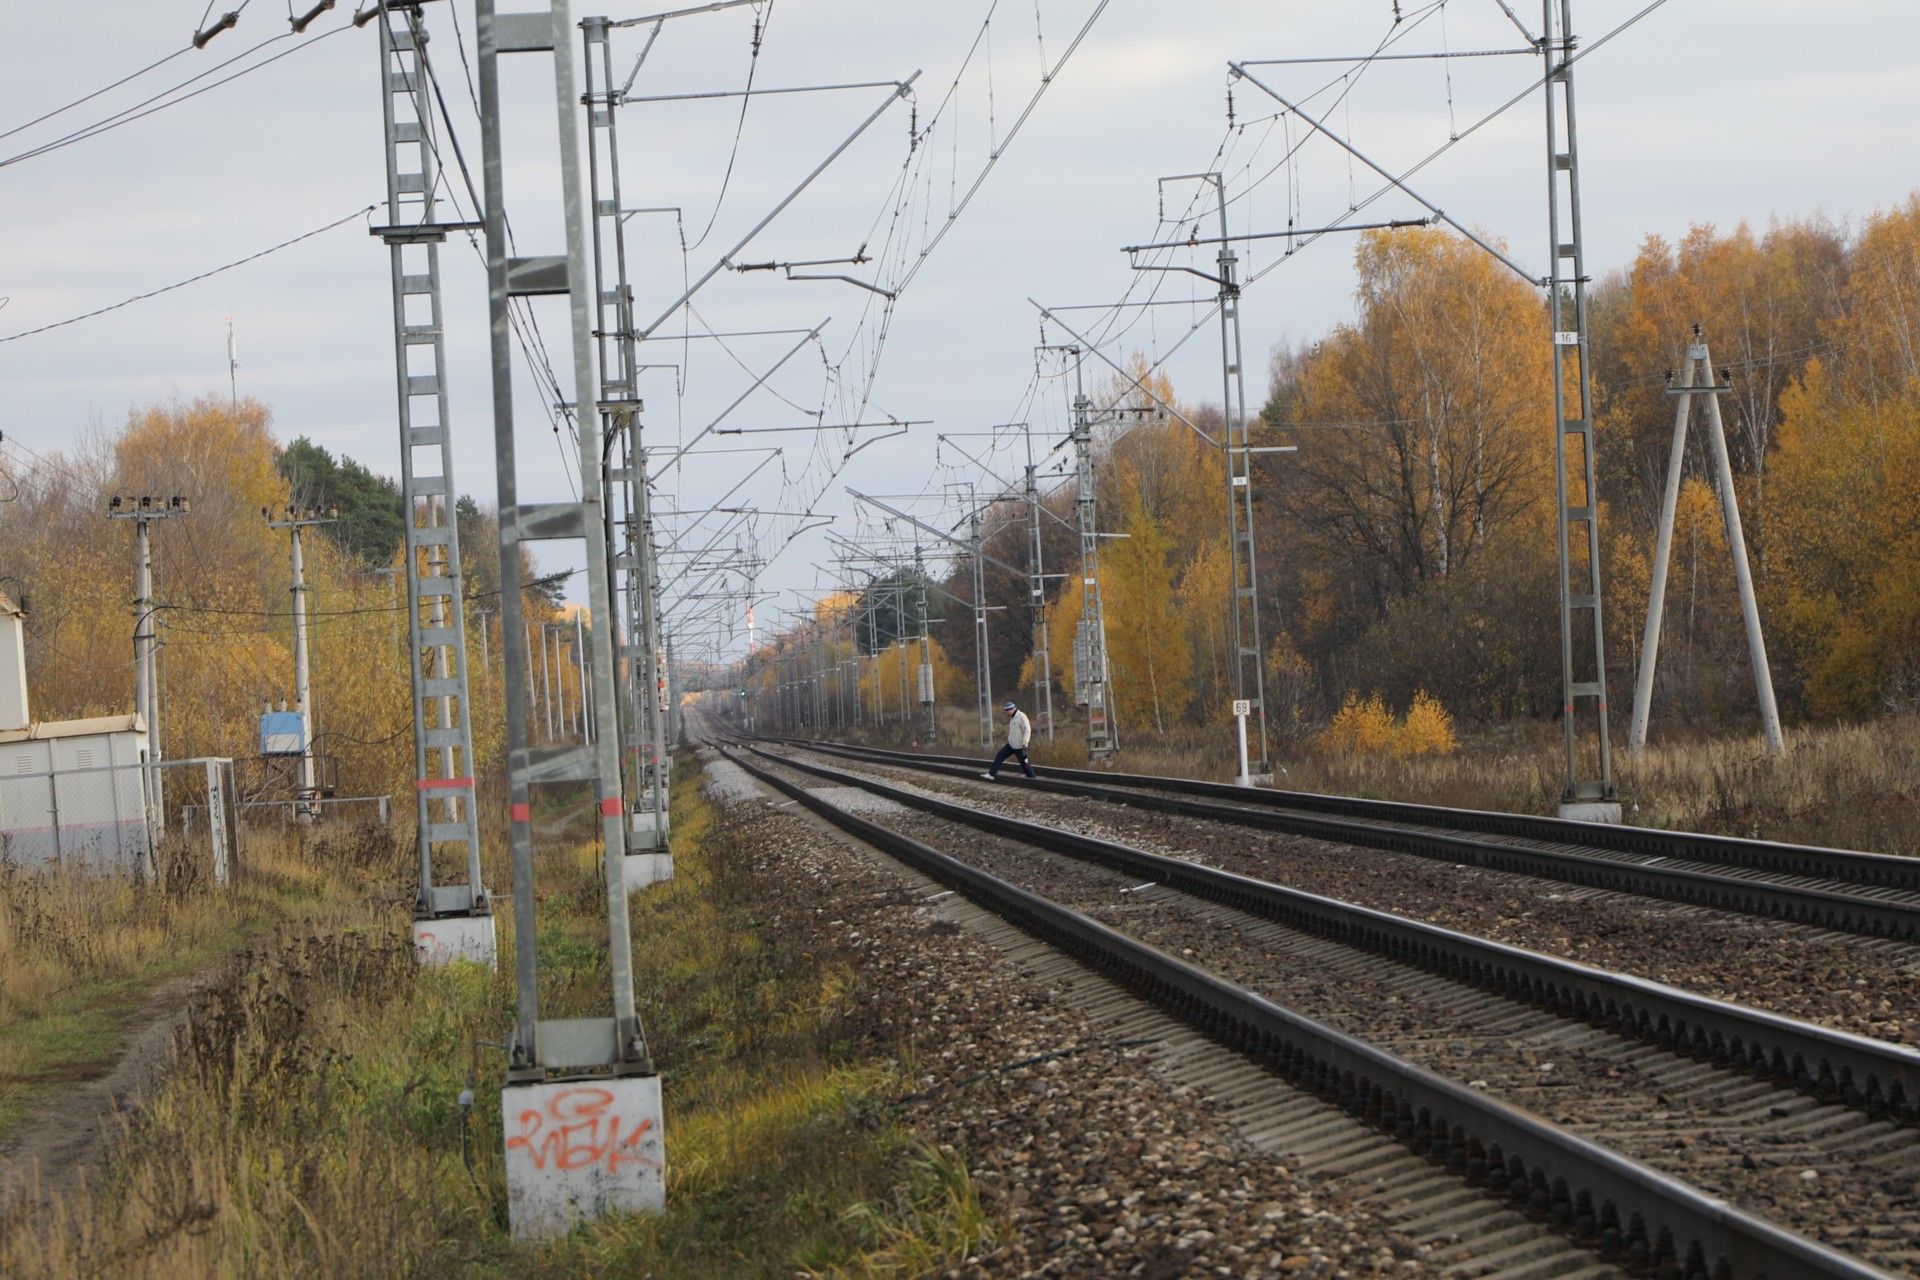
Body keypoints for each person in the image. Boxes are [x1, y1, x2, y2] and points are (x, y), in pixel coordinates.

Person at [983, 700, 1037, 780]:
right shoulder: (1013, 718)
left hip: (1020, 746)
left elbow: (1027, 730)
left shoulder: (1021, 716)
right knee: (1000, 755)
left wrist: (1025, 742)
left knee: (1024, 763)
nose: (1007, 713)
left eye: (1007, 711)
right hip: (1011, 745)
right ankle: (991, 774)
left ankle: (1032, 779)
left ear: (1012, 709)